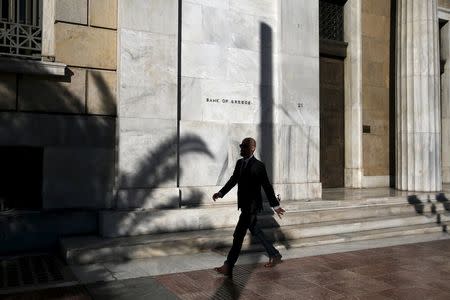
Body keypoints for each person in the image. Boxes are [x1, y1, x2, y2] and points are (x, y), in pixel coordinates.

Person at [212, 137, 286, 277]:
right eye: (241, 146)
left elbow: (267, 187)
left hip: (252, 207)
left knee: (238, 236)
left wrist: (275, 206)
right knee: (256, 231)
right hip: (244, 205)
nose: (242, 148)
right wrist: (221, 193)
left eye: (245, 146)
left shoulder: (259, 166)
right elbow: (233, 180)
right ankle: (275, 254)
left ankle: (228, 265)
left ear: (253, 148)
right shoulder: (240, 163)